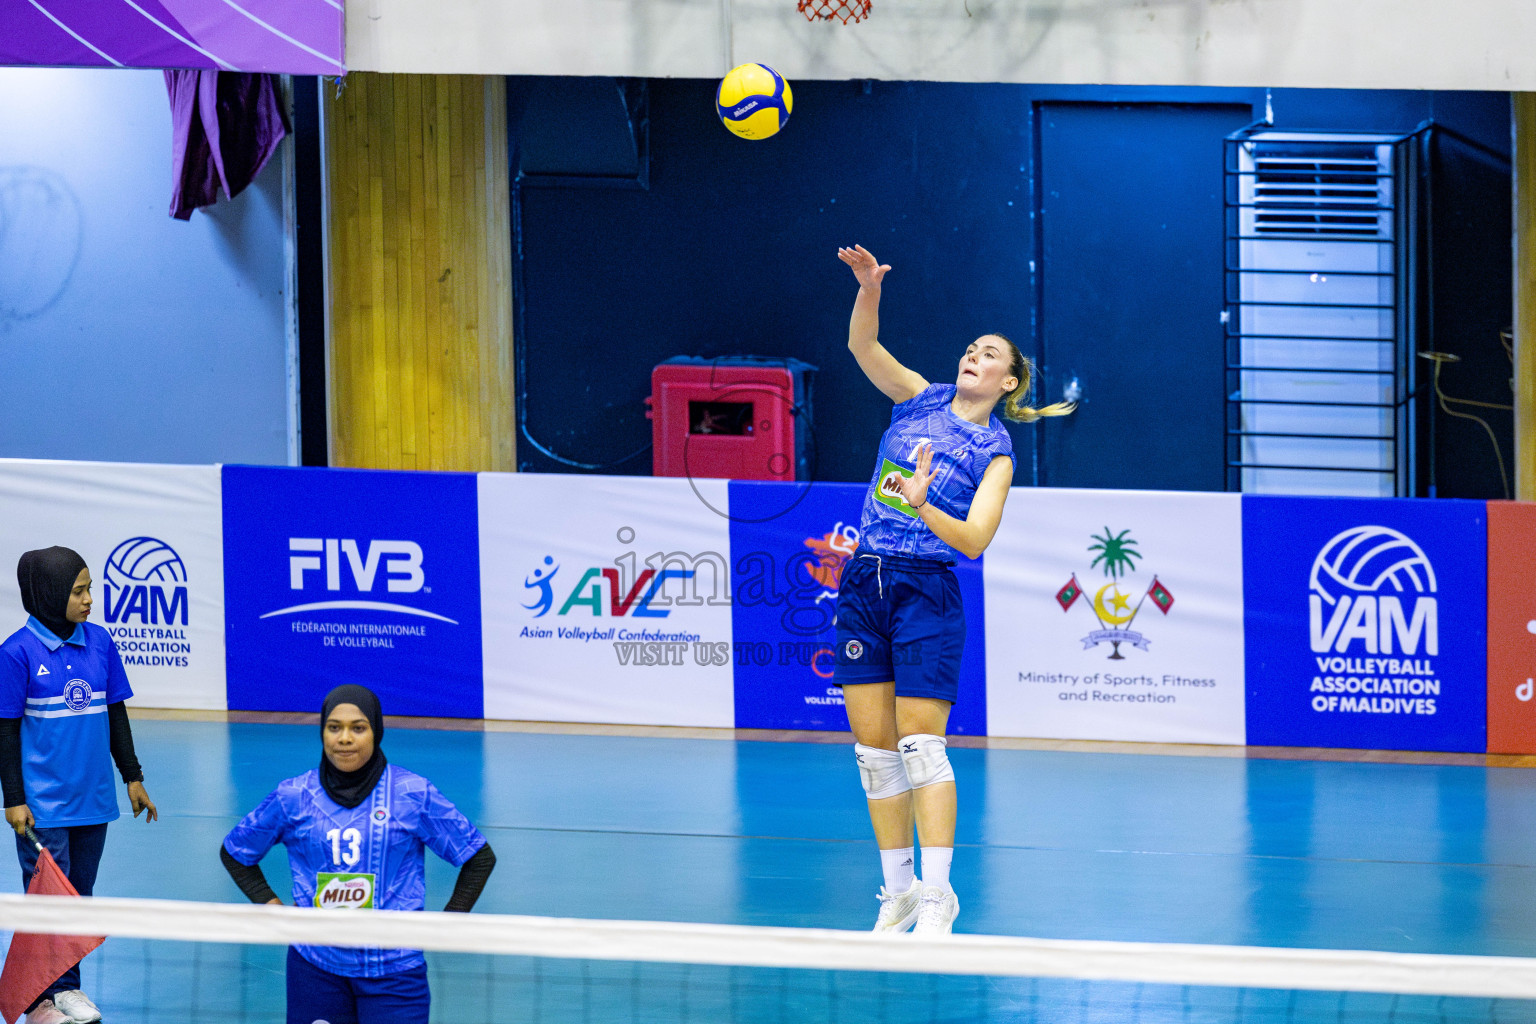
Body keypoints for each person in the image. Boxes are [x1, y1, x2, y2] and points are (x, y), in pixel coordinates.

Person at [834, 244, 1073, 935]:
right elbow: (862, 344)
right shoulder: (918, 398)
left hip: (927, 589)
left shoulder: (995, 451)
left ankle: (939, 895)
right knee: (875, 756)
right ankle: (898, 892)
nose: (974, 355)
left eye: (989, 353)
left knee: (920, 746)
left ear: (1008, 381)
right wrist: (869, 286)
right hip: (864, 581)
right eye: (971, 347)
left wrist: (921, 501)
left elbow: (974, 540)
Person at [221, 684, 497, 1024]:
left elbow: (478, 857)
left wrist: (448, 924)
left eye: (358, 728)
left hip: (395, 973)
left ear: (376, 731)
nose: (344, 738)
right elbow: (236, 851)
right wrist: (271, 907)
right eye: (334, 727)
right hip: (315, 966)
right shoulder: (293, 796)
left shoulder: (411, 793)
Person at [0, 546, 158, 1024]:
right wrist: (14, 799)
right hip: (42, 808)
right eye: (78, 590)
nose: (89, 598)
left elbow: (115, 713)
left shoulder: (101, 643)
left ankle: (66, 990)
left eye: (90, 588)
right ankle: (36, 1002)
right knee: (48, 902)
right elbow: (5, 729)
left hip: (93, 801)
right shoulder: (17, 653)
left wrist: (133, 777)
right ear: (49, 594)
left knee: (78, 899)